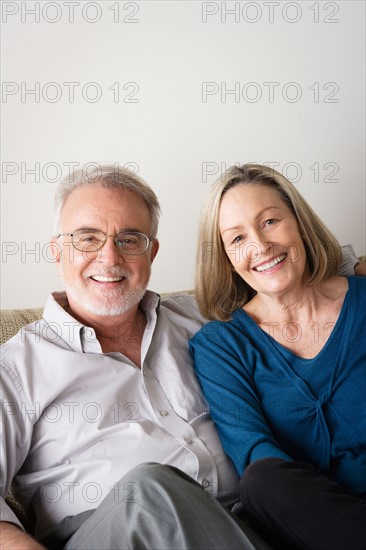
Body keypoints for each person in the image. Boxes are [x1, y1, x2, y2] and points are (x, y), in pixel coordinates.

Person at [0, 164, 273, 550]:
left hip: (244, 523)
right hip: (111, 533)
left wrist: (347, 265)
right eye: (88, 238)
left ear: (152, 252)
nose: (109, 258)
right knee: (148, 491)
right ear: (57, 251)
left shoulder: (200, 315)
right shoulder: (15, 368)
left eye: (129, 240)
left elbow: (284, 281)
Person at [189, 163, 366, 550]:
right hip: (312, 518)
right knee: (263, 479)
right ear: (226, 258)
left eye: (269, 221)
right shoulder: (220, 344)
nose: (260, 246)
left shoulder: (363, 299)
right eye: (236, 239)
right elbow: (254, 451)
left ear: (298, 222)